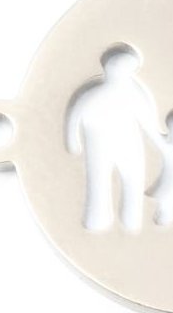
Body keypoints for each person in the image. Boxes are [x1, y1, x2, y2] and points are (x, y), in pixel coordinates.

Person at [65, 44, 161, 232]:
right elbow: (74, 118)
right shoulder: (114, 93)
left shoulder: (123, 93)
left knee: (117, 182)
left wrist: (72, 139)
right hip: (109, 144)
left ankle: (120, 222)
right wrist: (72, 140)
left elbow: (148, 122)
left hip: (117, 144)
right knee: (114, 182)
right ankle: (114, 221)